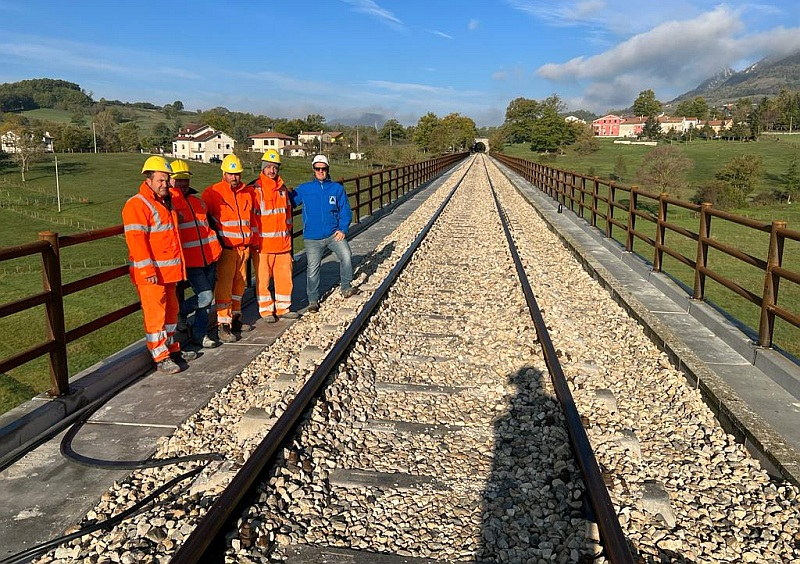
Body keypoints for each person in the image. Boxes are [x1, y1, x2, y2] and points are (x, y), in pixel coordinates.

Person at [122, 156, 197, 374]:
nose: (165, 184)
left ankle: (172, 348)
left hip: (169, 271)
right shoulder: (137, 204)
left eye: (167, 180)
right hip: (152, 273)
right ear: (149, 179)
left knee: (170, 313)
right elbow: (137, 241)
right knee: (156, 316)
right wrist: (147, 271)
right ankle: (160, 356)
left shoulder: (165, 202)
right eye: (160, 180)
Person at [291, 154, 359, 313]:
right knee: (313, 268)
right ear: (313, 170)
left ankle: (346, 286)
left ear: (328, 169)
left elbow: (345, 211)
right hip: (312, 238)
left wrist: (343, 228)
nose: (321, 171)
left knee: (346, 256)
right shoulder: (305, 189)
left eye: (323, 168)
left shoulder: (337, 189)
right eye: (317, 168)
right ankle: (313, 300)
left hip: (333, 234)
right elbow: (287, 201)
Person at [202, 154, 256, 342]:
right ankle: (223, 325)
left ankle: (236, 318)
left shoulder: (247, 193)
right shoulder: (212, 193)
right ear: (224, 173)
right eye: (231, 174)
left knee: (239, 286)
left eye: (238, 174)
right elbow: (204, 221)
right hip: (226, 249)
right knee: (224, 288)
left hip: (243, 248)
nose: (235, 178)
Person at [169, 160, 223, 349]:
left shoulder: (197, 201)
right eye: (178, 180)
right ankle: (180, 312)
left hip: (210, 257)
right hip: (190, 261)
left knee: (206, 303)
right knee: (206, 296)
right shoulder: (170, 204)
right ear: (170, 181)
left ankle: (200, 335)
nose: (183, 184)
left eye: (185, 179)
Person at [250, 149, 299, 322]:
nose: (272, 171)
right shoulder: (256, 189)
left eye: (275, 168)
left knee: (285, 278)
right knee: (263, 281)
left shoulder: (283, 190)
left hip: (283, 245)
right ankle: (266, 311)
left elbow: (288, 217)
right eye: (269, 167)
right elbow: (253, 218)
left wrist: (289, 241)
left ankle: (283, 308)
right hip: (263, 246)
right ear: (263, 168)